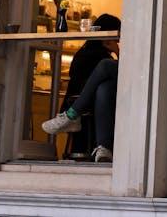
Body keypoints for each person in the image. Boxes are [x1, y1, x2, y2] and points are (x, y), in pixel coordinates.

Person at [42, 13, 121, 163]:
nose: (118, 39)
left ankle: (72, 115)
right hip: (94, 101)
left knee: (104, 80)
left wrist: (117, 52)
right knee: (103, 87)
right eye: (116, 33)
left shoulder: (88, 52)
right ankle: (103, 147)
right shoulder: (95, 54)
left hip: (81, 101)